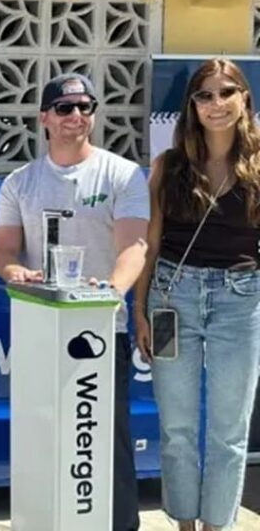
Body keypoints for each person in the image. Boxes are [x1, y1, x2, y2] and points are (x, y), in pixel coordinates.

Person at [0, 73, 148, 531]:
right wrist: (14, 270)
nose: (75, 116)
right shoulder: (19, 183)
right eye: (64, 108)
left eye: (85, 107)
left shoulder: (121, 174)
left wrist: (109, 294)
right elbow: (4, 249)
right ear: (44, 118)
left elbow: (134, 246)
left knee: (105, 442)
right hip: (43, 333)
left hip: (101, 332)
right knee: (46, 436)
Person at [133, 58, 260, 531]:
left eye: (226, 92)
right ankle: (185, 525)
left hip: (240, 301)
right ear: (192, 105)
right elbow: (150, 240)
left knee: (229, 432)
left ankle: (216, 526)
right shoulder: (170, 165)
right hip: (172, 299)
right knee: (177, 428)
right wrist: (140, 310)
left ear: (244, 98)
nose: (216, 104)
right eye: (205, 95)